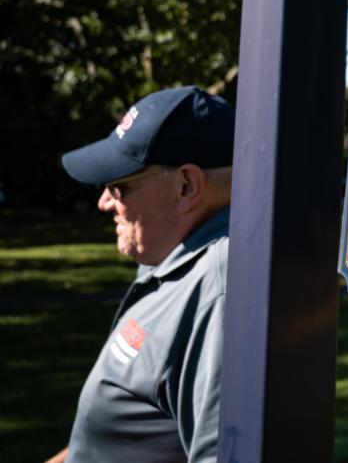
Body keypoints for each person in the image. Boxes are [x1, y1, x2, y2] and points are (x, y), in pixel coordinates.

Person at [46, 86, 234, 463]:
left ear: (186, 186)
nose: (103, 201)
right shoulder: (173, 259)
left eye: (119, 186)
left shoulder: (219, 289)